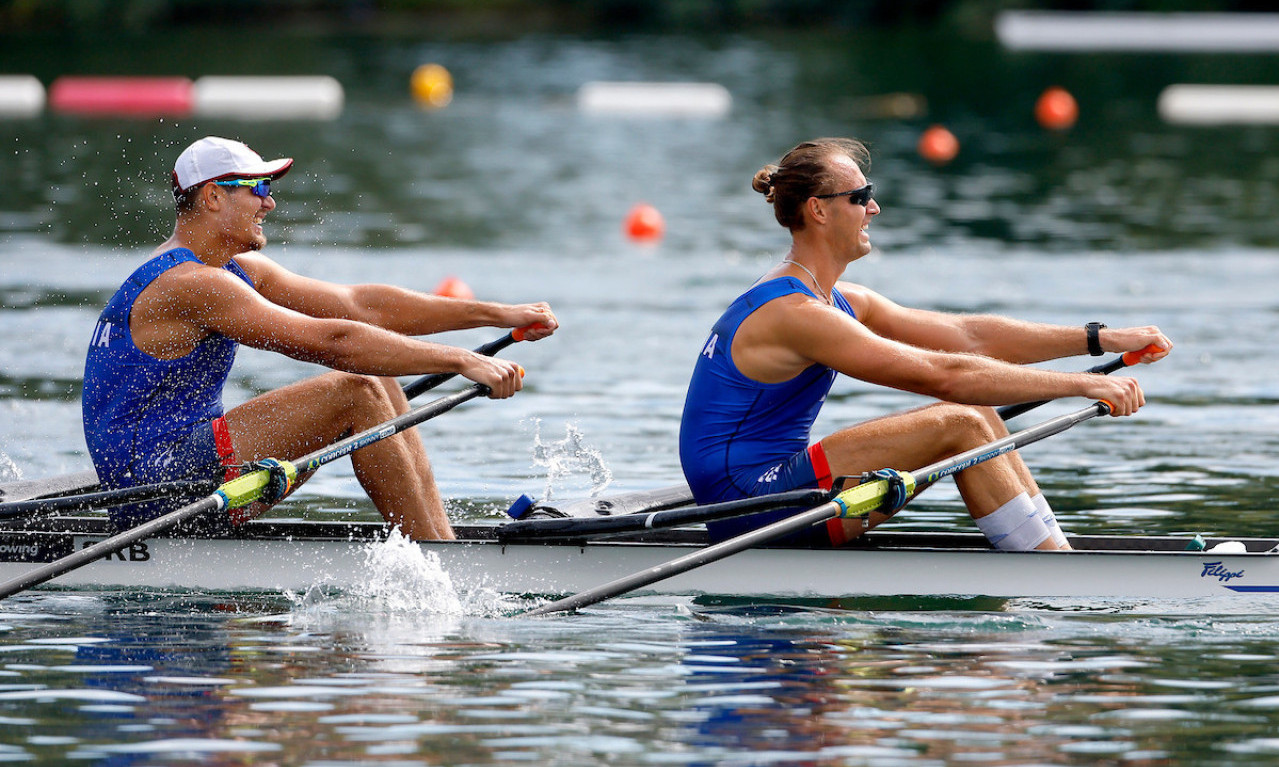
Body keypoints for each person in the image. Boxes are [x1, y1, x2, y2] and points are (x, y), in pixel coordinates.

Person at [679, 137, 1171, 551]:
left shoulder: (837, 299)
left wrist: (1099, 338)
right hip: (749, 505)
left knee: (978, 416)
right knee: (960, 419)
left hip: (774, 488)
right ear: (819, 211)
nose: (874, 207)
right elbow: (945, 376)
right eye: (861, 195)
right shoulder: (796, 315)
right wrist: (1080, 387)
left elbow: (970, 337)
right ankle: (1055, 579)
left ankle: (1051, 557)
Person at [83, 136, 557, 540]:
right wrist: (460, 361)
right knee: (357, 391)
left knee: (372, 368)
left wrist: (498, 314)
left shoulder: (231, 270)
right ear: (212, 198)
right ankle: (436, 558)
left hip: (183, 466)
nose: (269, 202)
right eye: (258, 188)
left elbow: (359, 306)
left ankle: (438, 542)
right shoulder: (192, 283)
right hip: (150, 488)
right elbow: (332, 341)